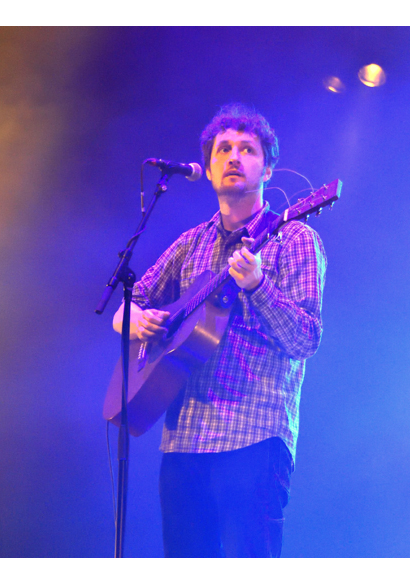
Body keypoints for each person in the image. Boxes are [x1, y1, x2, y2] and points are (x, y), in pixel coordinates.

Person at [112, 103, 327, 557]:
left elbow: (305, 338)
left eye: (247, 149)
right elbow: (127, 306)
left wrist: (257, 284)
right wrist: (133, 320)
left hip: (254, 436)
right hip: (184, 440)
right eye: (223, 149)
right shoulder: (190, 243)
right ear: (208, 169)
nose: (233, 157)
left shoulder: (294, 238)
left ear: (267, 167)